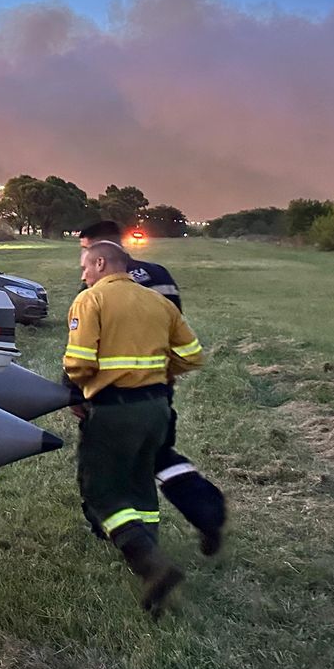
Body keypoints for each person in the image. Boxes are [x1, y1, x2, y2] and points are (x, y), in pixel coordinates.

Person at [64, 240, 205, 615]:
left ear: (100, 263)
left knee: (101, 491)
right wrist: (159, 374)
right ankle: (151, 549)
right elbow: (193, 355)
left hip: (114, 409)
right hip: (156, 408)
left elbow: (79, 363)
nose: (83, 275)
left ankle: (151, 566)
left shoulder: (90, 300)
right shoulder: (158, 302)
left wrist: (78, 389)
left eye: (85, 268)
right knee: (141, 483)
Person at [76, 220, 226, 555]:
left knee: (100, 469)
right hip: (157, 389)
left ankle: (117, 534)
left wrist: (75, 392)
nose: (83, 264)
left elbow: (85, 349)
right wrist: (161, 370)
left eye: (85, 250)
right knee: (157, 454)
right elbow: (179, 334)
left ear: (101, 253)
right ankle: (206, 510)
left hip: (109, 396)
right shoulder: (160, 277)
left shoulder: (95, 290)